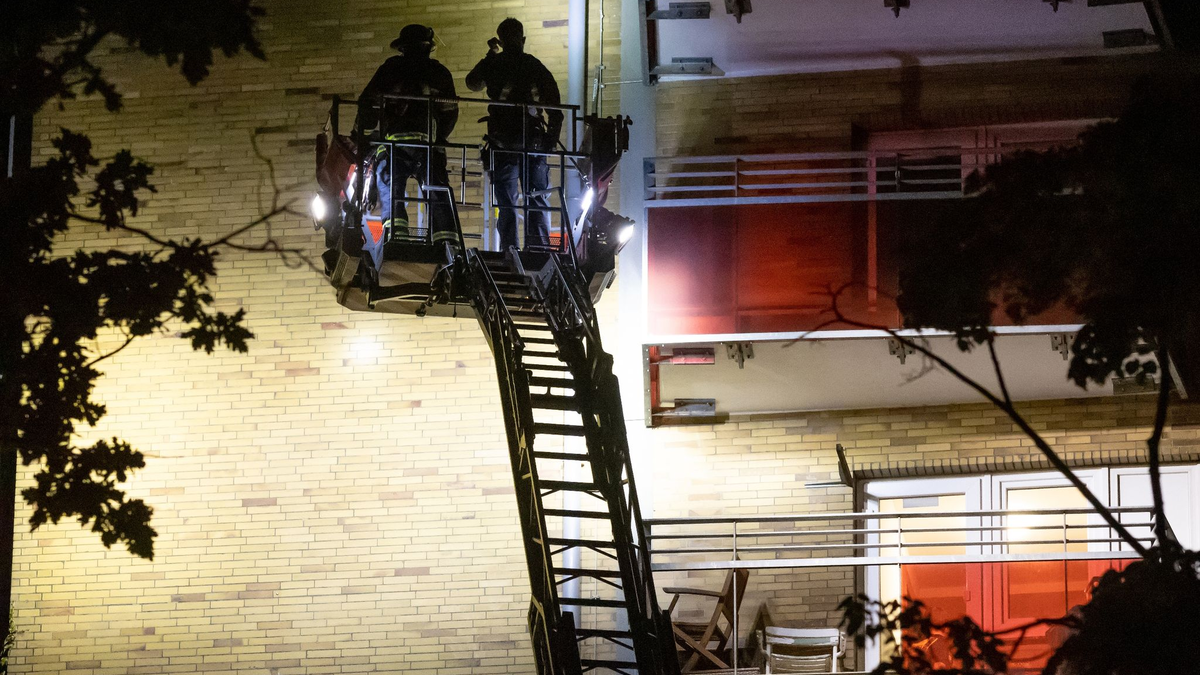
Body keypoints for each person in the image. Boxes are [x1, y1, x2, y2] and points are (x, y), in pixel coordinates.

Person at [355, 24, 459, 261]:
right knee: (437, 189)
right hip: (427, 145)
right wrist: (439, 139)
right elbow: (450, 113)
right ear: (428, 48)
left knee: (391, 186)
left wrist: (362, 136)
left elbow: (367, 104)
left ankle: (396, 236)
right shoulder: (439, 72)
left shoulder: (390, 69)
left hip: (394, 144)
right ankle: (447, 241)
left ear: (403, 48)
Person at [466, 18, 563, 251]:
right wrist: (549, 143)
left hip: (503, 145)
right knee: (537, 198)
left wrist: (490, 54)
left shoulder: (494, 64)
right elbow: (556, 111)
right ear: (523, 39)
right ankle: (538, 249)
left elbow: (472, 83)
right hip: (533, 145)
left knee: (507, 203)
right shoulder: (535, 67)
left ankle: (510, 250)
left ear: (500, 40)